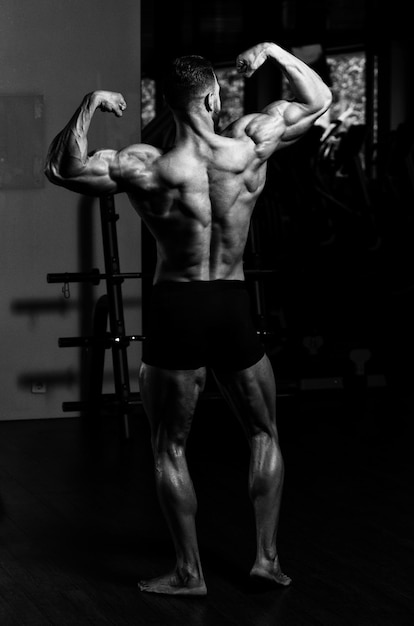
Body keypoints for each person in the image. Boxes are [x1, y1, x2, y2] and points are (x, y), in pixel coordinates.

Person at [45, 41, 332, 596]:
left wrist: (89, 104)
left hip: (175, 307)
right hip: (230, 302)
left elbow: (64, 167)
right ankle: (266, 560)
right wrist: (272, 52)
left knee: (169, 446)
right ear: (212, 97)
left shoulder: (145, 165)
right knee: (264, 433)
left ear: (170, 105)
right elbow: (317, 97)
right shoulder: (250, 143)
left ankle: (188, 572)